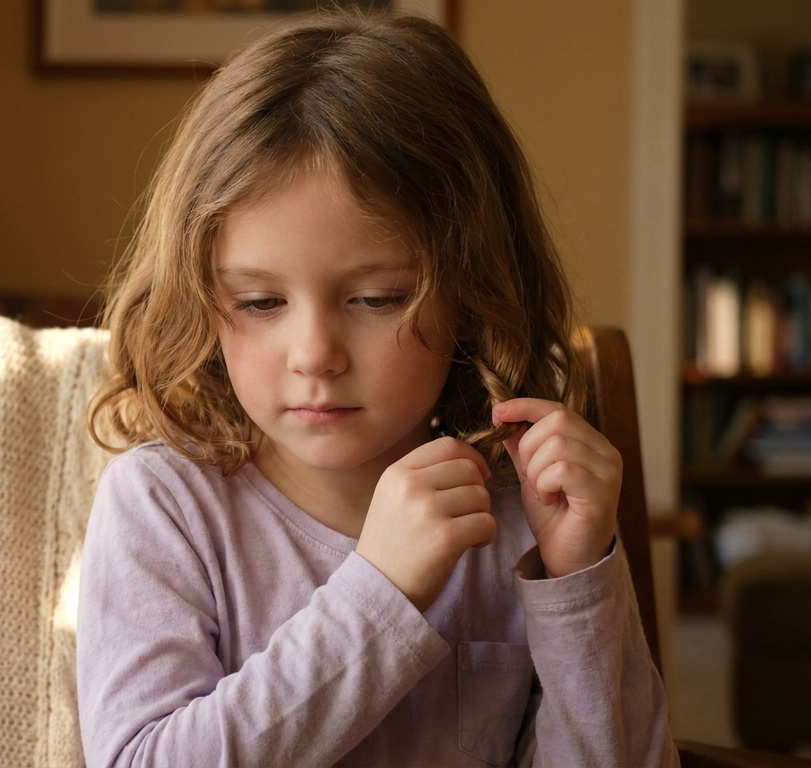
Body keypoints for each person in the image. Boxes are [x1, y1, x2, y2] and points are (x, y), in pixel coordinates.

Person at [76, 9, 679, 767]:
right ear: (200, 301)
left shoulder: (527, 517)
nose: (315, 355)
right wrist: (379, 593)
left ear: (473, 290)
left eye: (378, 298)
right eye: (261, 303)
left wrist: (579, 582)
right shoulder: (163, 506)